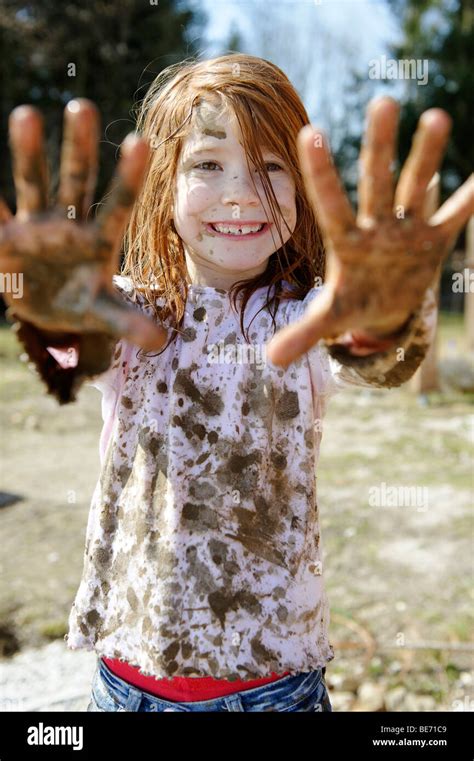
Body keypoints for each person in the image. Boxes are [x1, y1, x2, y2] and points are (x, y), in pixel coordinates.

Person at [1, 54, 472, 713]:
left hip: (277, 691)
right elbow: (78, 350)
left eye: (271, 166)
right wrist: (48, 312)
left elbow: (368, 353)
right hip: (127, 688)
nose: (242, 192)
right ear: (163, 185)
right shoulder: (131, 314)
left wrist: (383, 315)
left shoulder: (302, 321)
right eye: (208, 164)